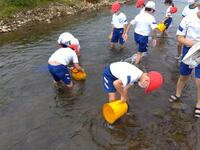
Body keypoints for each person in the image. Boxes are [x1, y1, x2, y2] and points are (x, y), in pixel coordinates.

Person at [169, 1, 200, 118]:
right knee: (183, 76)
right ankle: (177, 94)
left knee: (199, 80)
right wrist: (195, 45)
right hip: (189, 50)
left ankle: (199, 103)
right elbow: (179, 38)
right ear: (198, 6)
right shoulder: (188, 19)